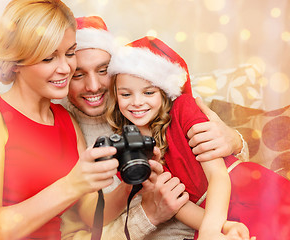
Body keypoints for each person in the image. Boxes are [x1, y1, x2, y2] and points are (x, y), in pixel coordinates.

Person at [60, 16, 251, 240]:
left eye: (102, 70)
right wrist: (148, 212)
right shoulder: (71, 131)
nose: (92, 86)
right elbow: (176, 202)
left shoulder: (178, 110)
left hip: (237, 202)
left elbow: (222, 169)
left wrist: (236, 140)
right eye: (78, 75)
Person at [0, 1, 130, 239]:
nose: (66, 68)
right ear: (16, 62)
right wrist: (71, 185)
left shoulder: (65, 121)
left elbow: (90, 213)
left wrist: (133, 183)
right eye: (49, 59)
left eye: (69, 54)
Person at [106, 35, 290, 240]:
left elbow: (217, 176)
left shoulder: (183, 108)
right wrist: (223, 227)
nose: (137, 102)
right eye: (126, 94)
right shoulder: (130, 151)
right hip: (209, 216)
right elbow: (178, 205)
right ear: (115, 95)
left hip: (246, 190)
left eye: (148, 93)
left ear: (164, 92)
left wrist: (211, 229)